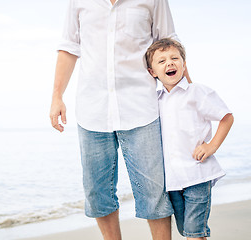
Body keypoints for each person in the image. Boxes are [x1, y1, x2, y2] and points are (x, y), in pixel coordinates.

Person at [50, 1, 187, 239]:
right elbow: (69, 47)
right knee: (97, 193)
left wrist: (188, 97)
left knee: (153, 193)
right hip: (92, 110)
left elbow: (170, 44)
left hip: (141, 107)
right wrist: (56, 96)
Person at [145, 38, 234, 240]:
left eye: (175, 58)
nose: (169, 63)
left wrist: (212, 146)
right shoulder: (154, 100)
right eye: (162, 61)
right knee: (186, 230)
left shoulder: (197, 92)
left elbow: (227, 117)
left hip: (197, 175)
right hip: (172, 181)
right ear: (152, 72)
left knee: (194, 233)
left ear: (184, 65)